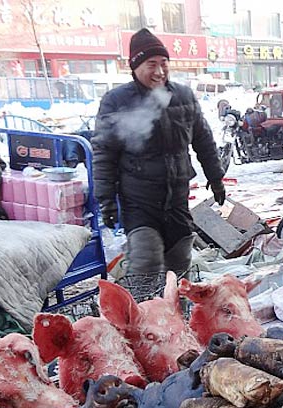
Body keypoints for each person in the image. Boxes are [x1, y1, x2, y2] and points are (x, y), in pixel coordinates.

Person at [92, 28, 225, 279]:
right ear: (134, 67)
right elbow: (104, 154)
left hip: (177, 200)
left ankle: (178, 316)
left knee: (179, 267)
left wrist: (216, 178)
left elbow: (203, 140)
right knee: (146, 267)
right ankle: (144, 315)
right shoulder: (116, 101)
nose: (160, 71)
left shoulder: (183, 96)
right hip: (140, 202)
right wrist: (106, 200)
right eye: (151, 64)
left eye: (164, 63)